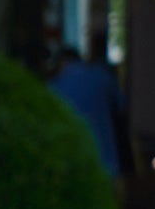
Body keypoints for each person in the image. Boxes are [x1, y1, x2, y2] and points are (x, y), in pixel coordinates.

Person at [51, 35, 128, 181]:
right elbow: (121, 106)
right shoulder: (101, 76)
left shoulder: (55, 86)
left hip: (73, 162)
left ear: (61, 63)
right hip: (106, 160)